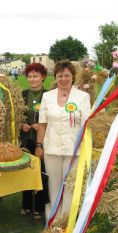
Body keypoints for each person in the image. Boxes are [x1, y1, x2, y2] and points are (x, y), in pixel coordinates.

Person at [35, 61, 91, 220]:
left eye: (67, 75)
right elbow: (42, 124)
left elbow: (87, 125)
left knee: (70, 189)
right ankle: (52, 221)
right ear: (55, 77)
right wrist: (39, 145)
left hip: (74, 151)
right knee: (53, 186)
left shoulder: (83, 97)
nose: (64, 79)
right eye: (60, 75)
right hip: (51, 149)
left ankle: (66, 223)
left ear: (73, 77)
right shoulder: (47, 96)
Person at [20, 63, 50, 219]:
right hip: (26, 141)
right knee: (26, 171)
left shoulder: (49, 95)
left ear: (43, 77)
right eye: (30, 76)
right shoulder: (22, 94)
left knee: (41, 172)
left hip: (42, 140)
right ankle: (26, 204)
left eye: (35, 76)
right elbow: (16, 116)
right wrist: (21, 124)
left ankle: (39, 206)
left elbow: (54, 118)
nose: (32, 79)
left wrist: (43, 125)